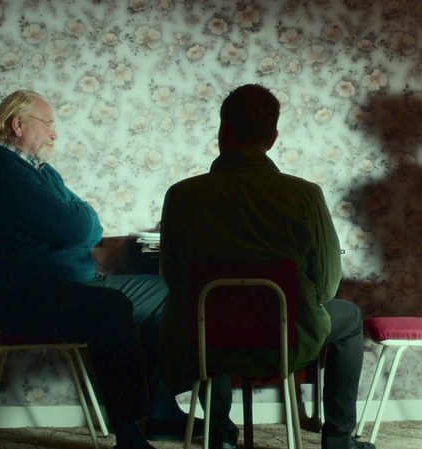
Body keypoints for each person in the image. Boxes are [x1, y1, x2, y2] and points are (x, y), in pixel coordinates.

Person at [0, 89, 197, 449]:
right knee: (111, 309)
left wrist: (80, 221)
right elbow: (76, 228)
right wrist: (80, 221)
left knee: (167, 293)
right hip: (30, 298)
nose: (54, 133)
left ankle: (162, 410)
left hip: (80, 283)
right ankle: (129, 432)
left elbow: (90, 225)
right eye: (48, 124)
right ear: (18, 124)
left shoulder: (41, 171)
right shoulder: (3, 172)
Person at [158, 84, 376, 449]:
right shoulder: (305, 196)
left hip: (206, 343)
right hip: (285, 341)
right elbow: (327, 286)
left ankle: (219, 433)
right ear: (273, 138)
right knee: (350, 318)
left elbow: (173, 278)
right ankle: (338, 441)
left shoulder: (181, 195)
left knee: (203, 314)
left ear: (223, 130)